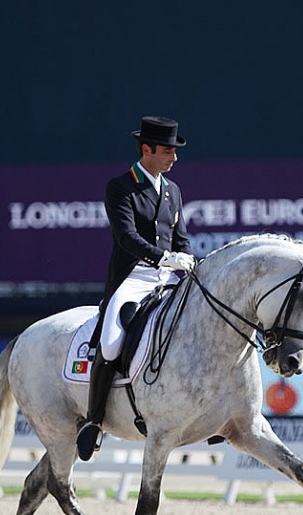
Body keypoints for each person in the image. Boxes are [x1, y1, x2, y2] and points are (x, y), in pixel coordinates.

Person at [76, 115, 196, 461]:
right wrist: (164, 258)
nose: (174, 158)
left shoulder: (173, 191)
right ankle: (94, 421)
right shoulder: (120, 187)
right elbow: (126, 238)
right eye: (167, 151)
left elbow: (182, 238)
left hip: (170, 276)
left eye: (175, 151)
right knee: (112, 344)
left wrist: (184, 261)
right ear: (147, 149)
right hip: (134, 277)